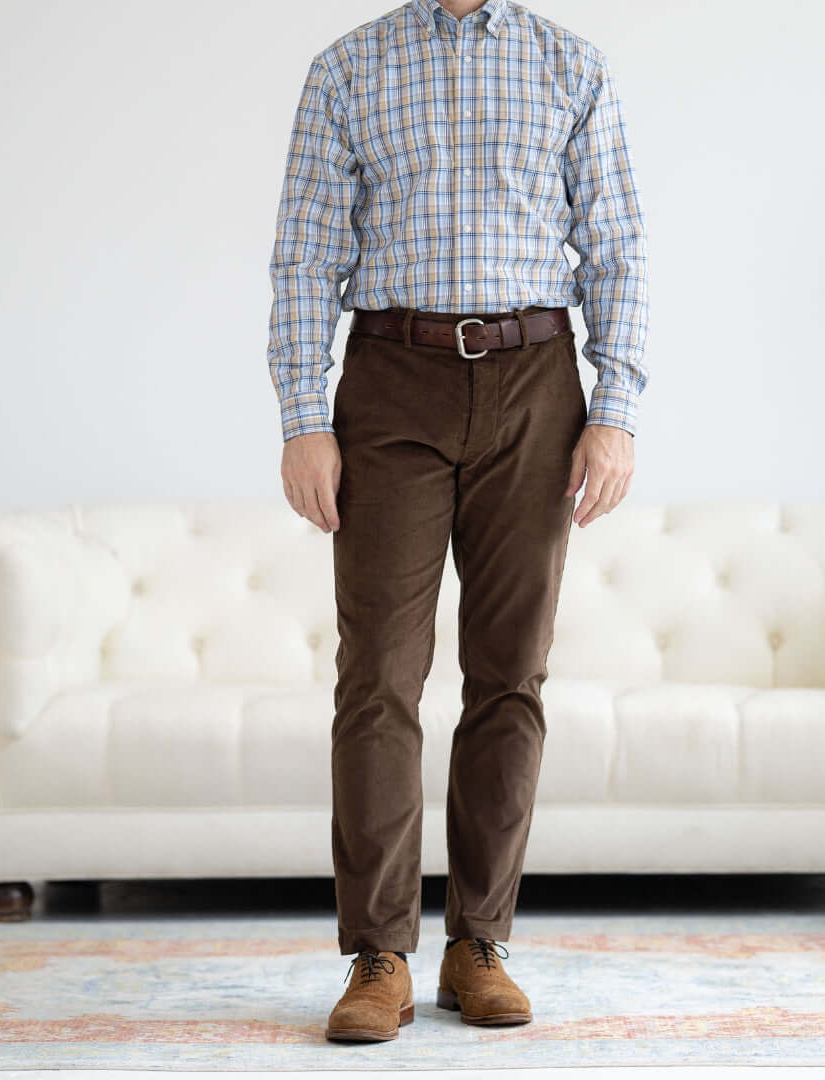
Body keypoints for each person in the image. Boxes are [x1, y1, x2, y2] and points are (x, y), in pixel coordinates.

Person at [266, 0, 648, 1043]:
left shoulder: (572, 65)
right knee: (378, 673)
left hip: (536, 381)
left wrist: (614, 412)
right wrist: (306, 418)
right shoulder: (347, 69)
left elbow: (616, 243)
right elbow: (305, 253)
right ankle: (379, 953)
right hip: (390, 380)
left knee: (510, 669)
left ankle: (479, 942)